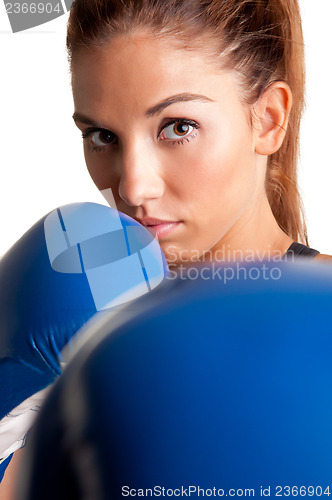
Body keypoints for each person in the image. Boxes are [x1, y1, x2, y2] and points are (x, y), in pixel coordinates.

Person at [1, 0, 332, 496]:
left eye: (178, 127)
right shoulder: (77, 320)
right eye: (102, 136)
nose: (132, 186)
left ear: (267, 119)